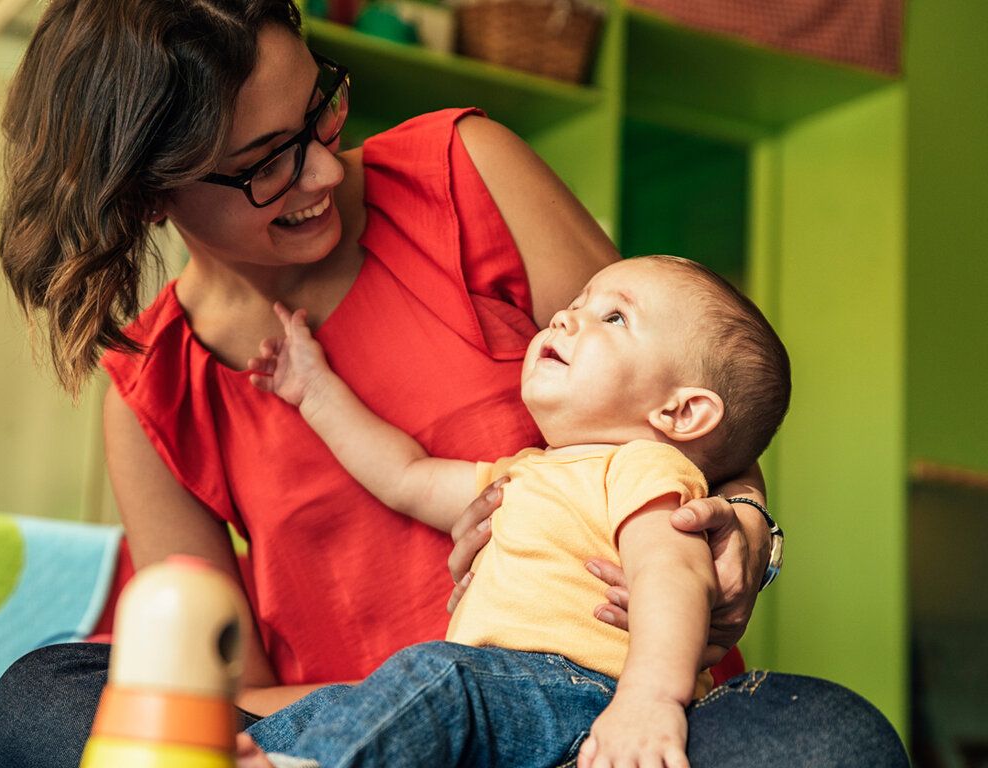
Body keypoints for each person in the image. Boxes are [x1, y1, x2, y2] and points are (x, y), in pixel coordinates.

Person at [0, 0, 906, 766]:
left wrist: (744, 525)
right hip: (360, 727)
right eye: (265, 163)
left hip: (613, 709)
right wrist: (423, 700)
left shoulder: (466, 172)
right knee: (42, 698)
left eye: (321, 110)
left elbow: (685, 398)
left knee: (832, 743)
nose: (317, 169)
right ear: (150, 193)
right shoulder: (154, 391)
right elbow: (211, 681)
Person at [226, 255, 842, 767]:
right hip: (507, 697)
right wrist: (312, 391)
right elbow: (405, 476)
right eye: (578, 300)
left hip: (585, 696)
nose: (566, 316)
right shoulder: (524, 472)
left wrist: (648, 699)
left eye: (614, 315)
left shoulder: (645, 469)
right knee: (342, 705)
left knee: (435, 676)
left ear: (679, 414)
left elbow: (673, 576)